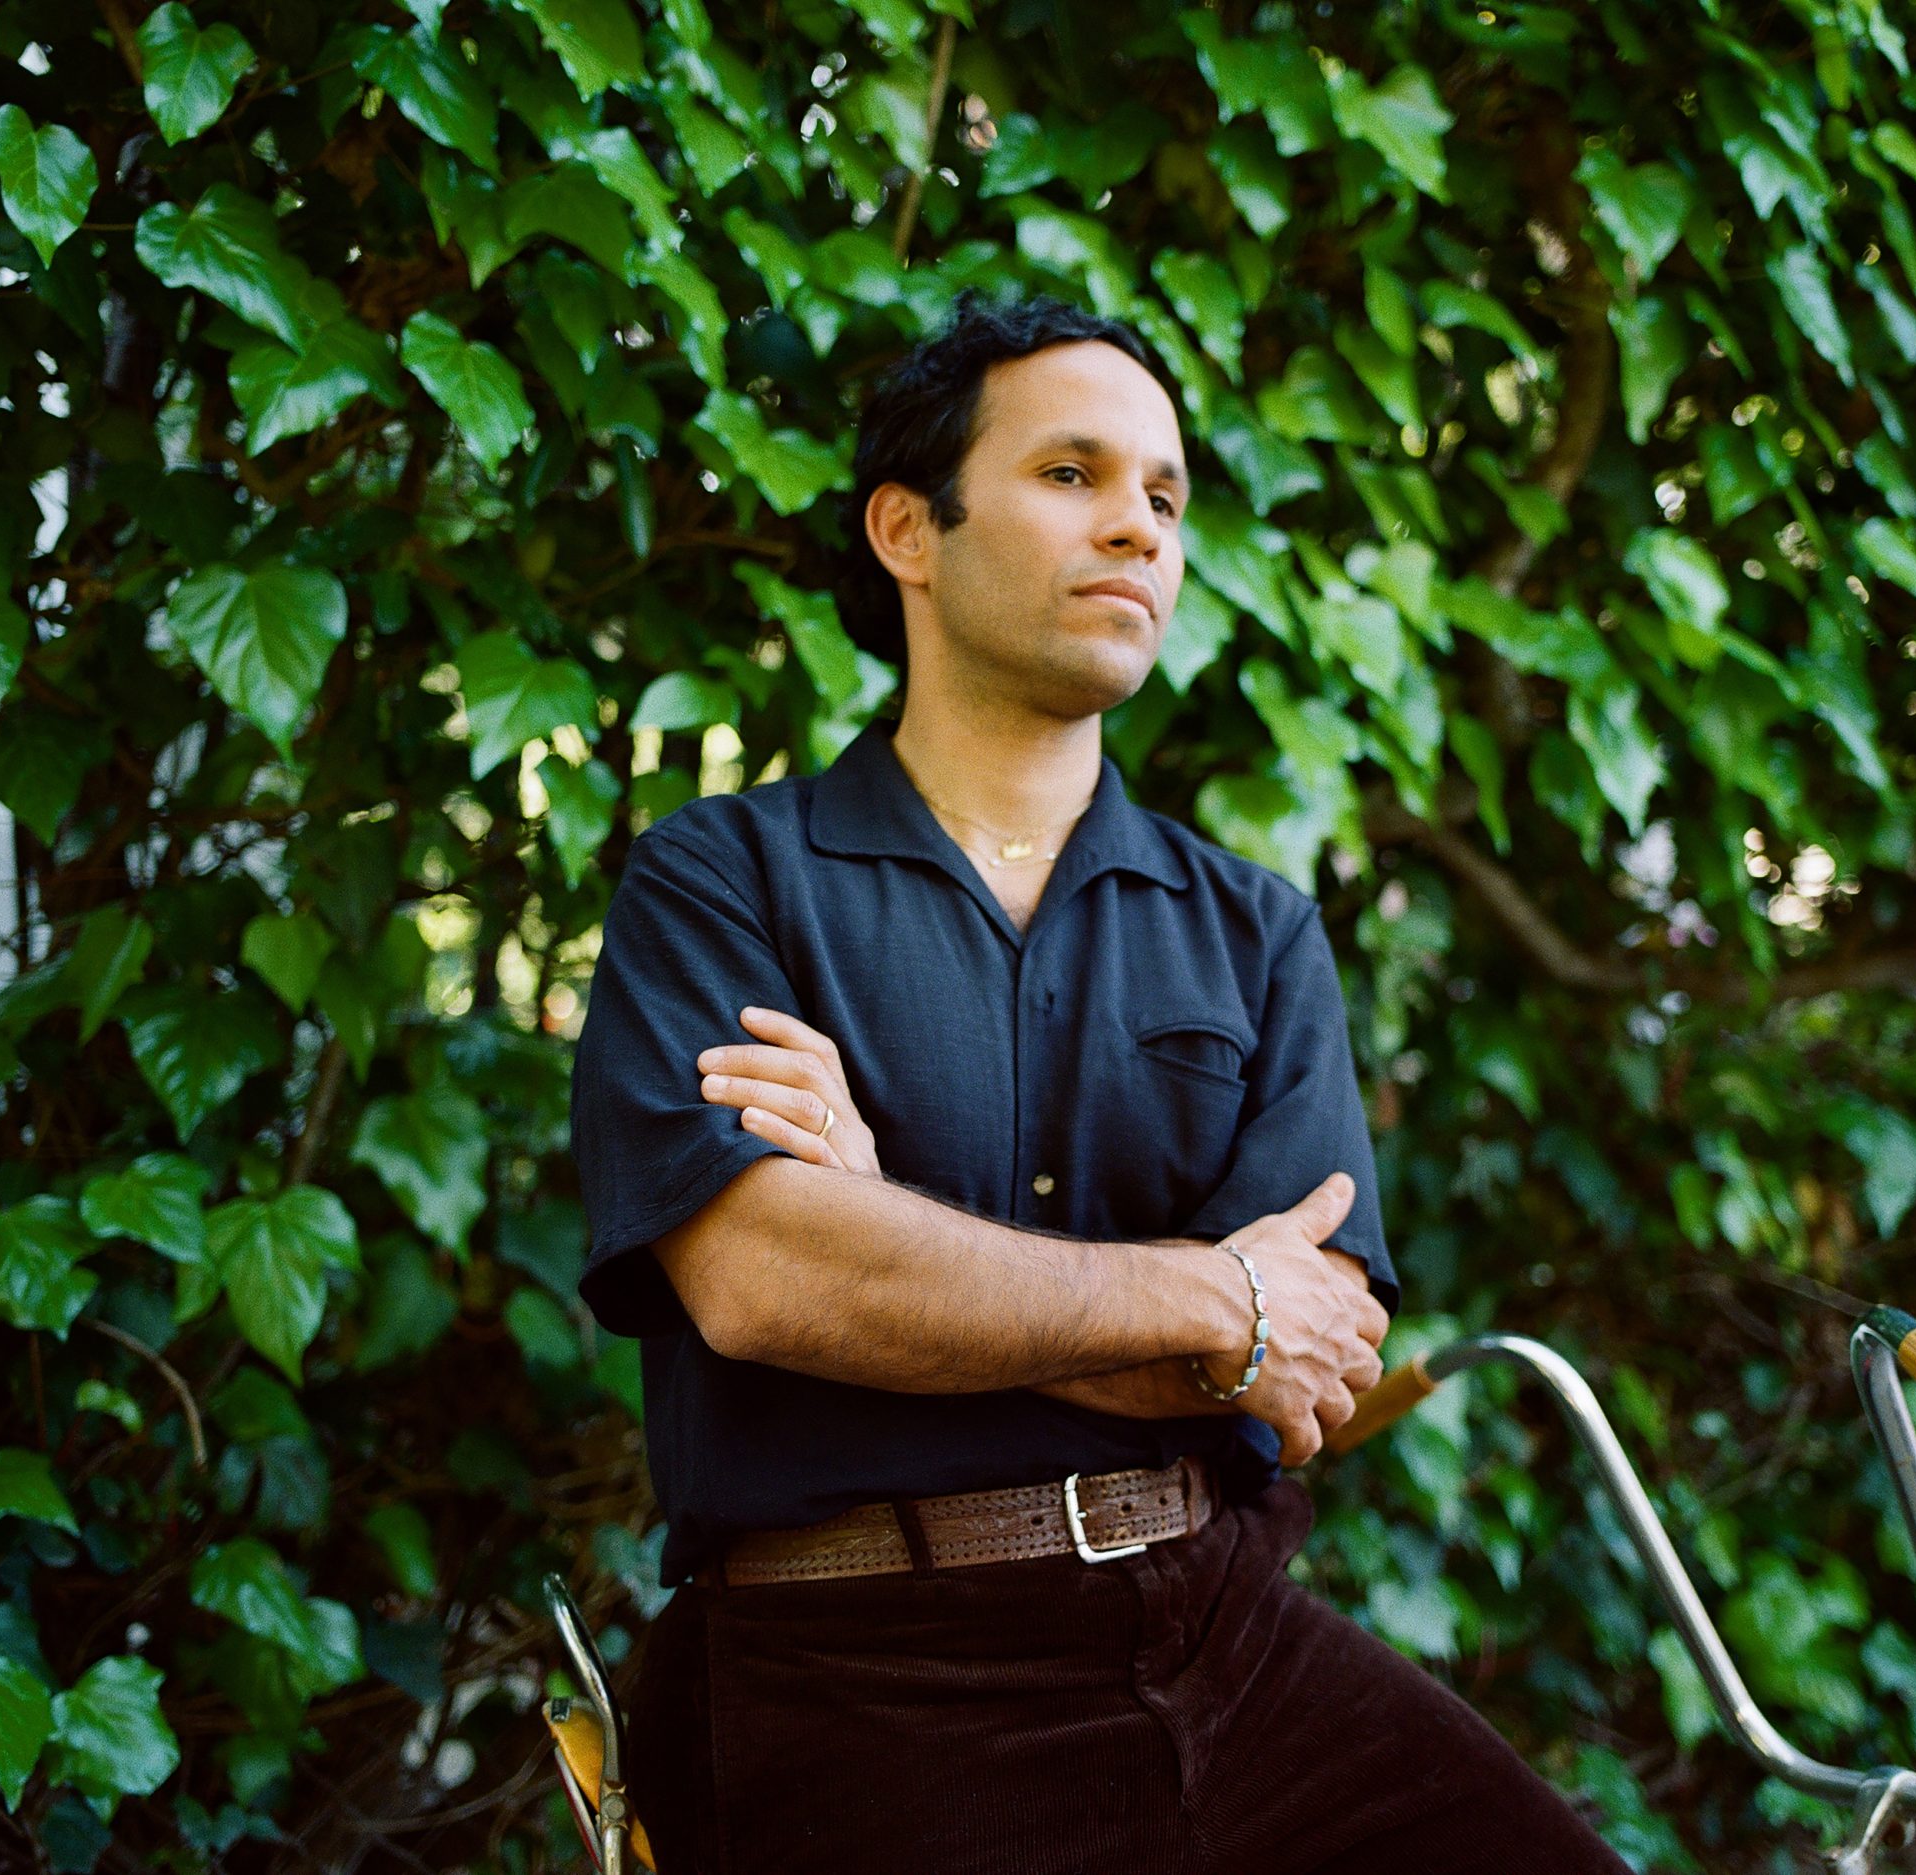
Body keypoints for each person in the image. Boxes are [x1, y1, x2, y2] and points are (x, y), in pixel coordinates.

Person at [568, 291, 1633, 1874]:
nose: (1137, 525)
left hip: (1226, 1636)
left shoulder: (1257, 931)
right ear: (907, 530)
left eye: (1164, 494)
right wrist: (1214, 1301)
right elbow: (764, 1282)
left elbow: (1313, 1364)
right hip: (865, 1674)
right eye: (1073, 473)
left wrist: (888, 1226)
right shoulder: (723, 881)